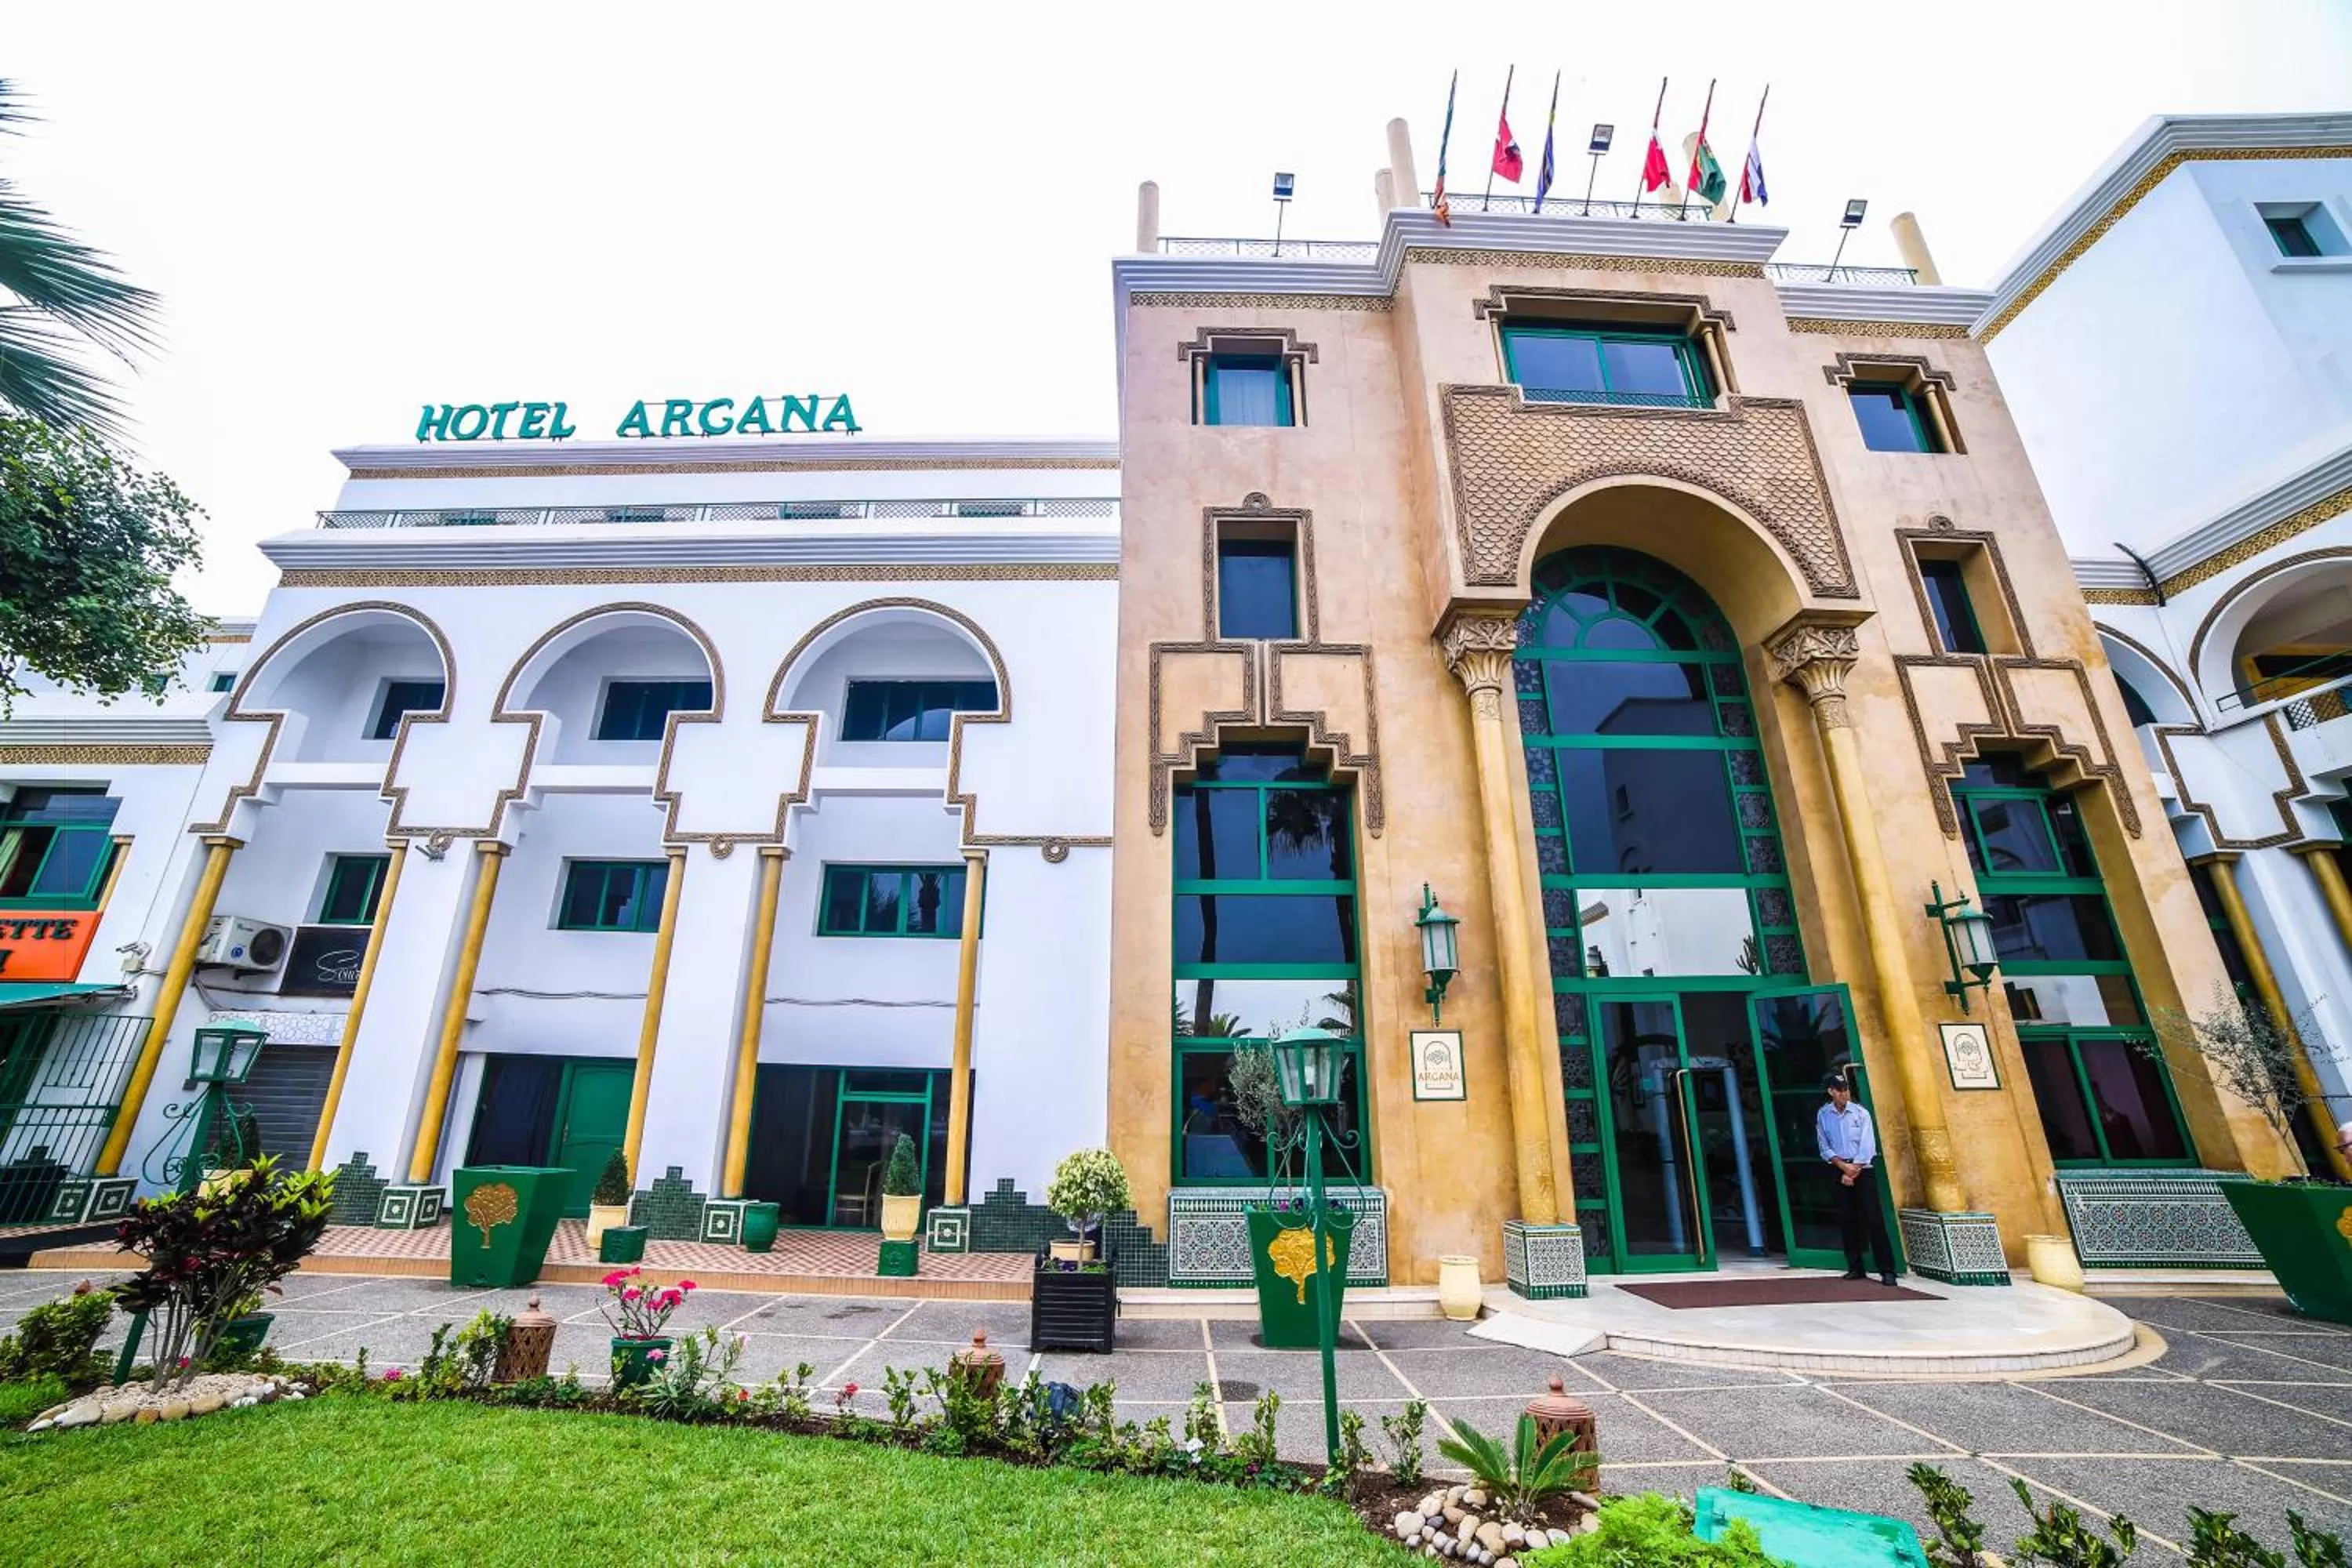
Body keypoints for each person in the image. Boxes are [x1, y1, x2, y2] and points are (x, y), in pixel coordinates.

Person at [1816, 1073, 1896, 1287]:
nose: (1844, 1094)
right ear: (1831, 1092)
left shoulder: (1860, 1113)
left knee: (1874, 1219)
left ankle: (1887, 1269)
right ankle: (1855, 1266)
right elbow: (1824, 1146)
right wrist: (1842, 1167)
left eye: (1846, 1090)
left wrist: (1854, 1170)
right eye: (1839, 1090)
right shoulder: (1824, 1114)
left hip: (1863, 1169)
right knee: (1847, 1219)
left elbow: (1868, 1145)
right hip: (1839, 1168)